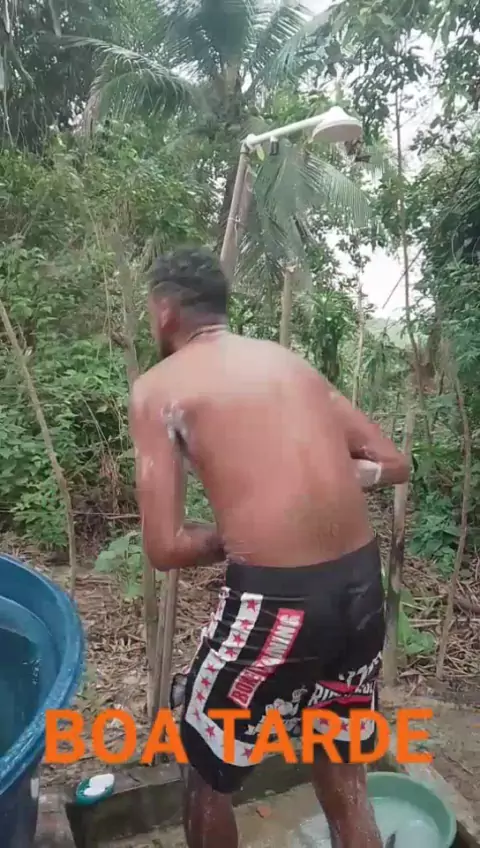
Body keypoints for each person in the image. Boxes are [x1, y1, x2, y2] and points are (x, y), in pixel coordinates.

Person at [129, 246, 410, 848]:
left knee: (204, 767)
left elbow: (165, 547)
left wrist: (232, 536)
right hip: (362, 590)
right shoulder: (290, 365)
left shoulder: (159, 389)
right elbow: (393, 462)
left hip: (277, 603)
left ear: (165, 312)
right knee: (341, 763)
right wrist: (325, 487)